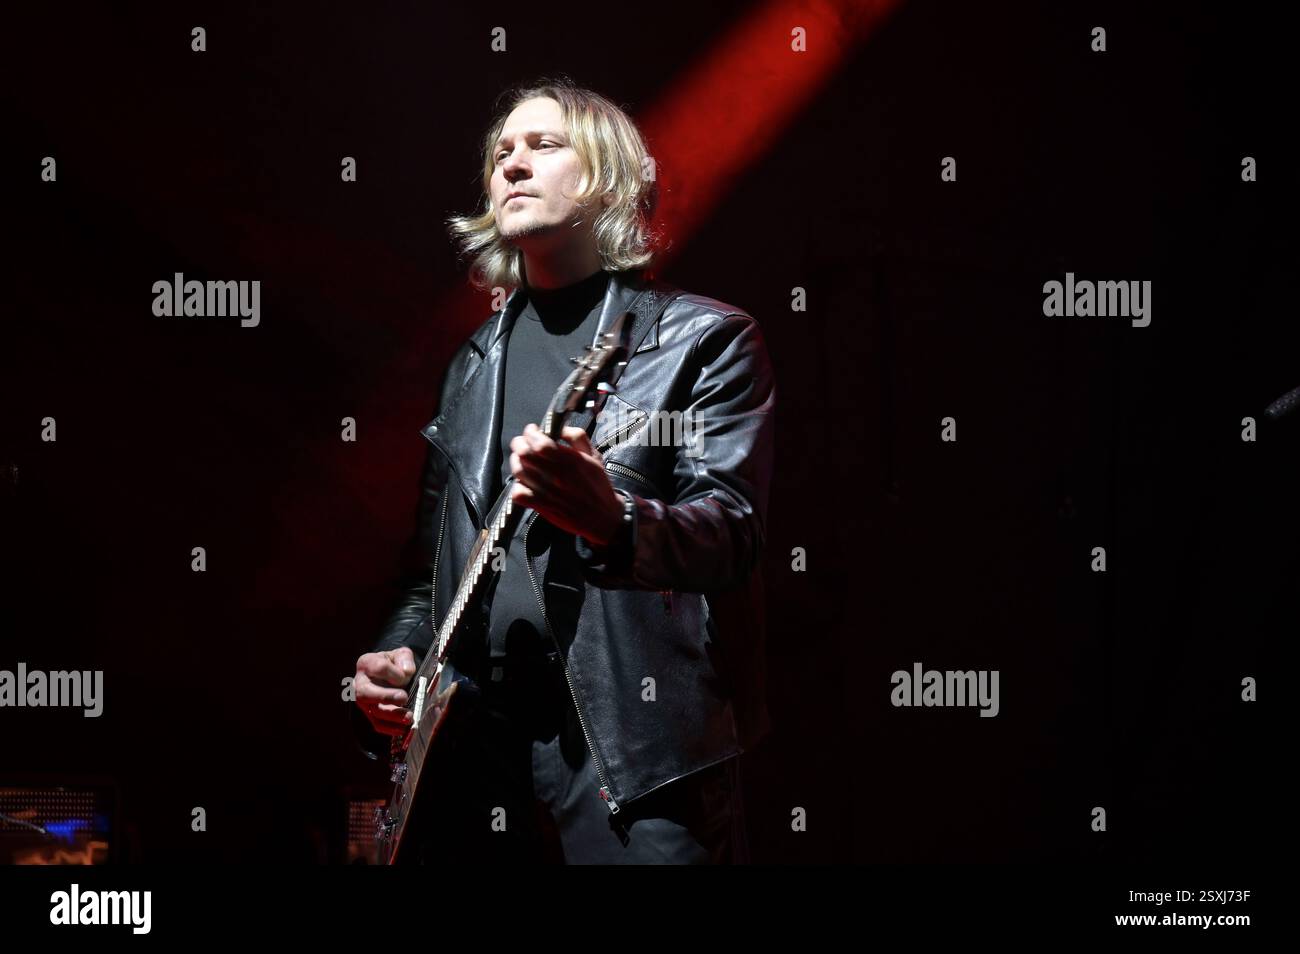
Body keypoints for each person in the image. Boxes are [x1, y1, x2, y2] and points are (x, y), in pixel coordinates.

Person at [351, 77, 775, 863]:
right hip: (480, 748)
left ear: (609, 176)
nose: (513, 164)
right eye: (501, 152)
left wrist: (613, 521)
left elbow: (731, 534)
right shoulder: (472, 367)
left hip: (635, 750)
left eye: (544, 145)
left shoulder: (701, 342)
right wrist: (397, 654)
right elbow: (429, 576)